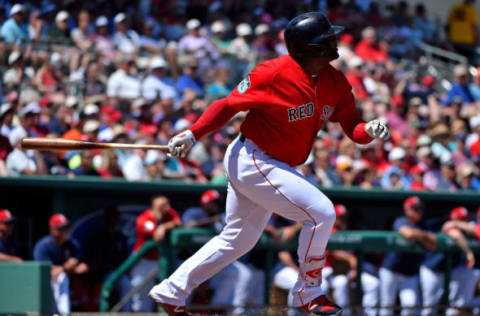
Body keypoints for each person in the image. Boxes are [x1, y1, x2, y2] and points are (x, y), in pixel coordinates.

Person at [149, 12, 390, 316]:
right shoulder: (272, 73)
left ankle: (171, 291)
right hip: (253, 157)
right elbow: (227, 105)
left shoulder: (335, 81)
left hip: (276, 163)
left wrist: (368, 130)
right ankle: (308, 292)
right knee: (321, 214)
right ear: (312, 48)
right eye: (328, 38)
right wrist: (193, 133)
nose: (335, 41)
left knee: (239, 239)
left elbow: (353, 128)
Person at [182, 190, 253, 314]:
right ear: (206, 203)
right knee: (185, 280)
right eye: (214, 202)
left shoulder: (221, 216)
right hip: (188, 258)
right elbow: (188, 225)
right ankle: (179, 309)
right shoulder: (194, 212)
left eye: (218, 202)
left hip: (212, 260)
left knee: (241, 273)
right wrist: (212, 220)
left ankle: (217, 309)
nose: (217, 205)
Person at [380, 196, 437, 316]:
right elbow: (408, 233)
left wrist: (421, 235)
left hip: (409, 273)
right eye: (415, 209)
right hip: (391, 270)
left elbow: (433, 246)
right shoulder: (401, 221)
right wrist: (424, 236)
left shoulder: (424, 225)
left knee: (410, 305)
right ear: (407, 209)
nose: (419, 212)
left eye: (420, 209)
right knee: (387, 307)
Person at [421, 206, 475, 316]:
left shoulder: (466, 229)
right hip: (432, 270)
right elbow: (456, 234)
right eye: (463, 219)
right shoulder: (448, 226)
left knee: (448, 305)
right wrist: (468, 253)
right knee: (429, 306)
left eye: (466, 219)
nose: (466, 221)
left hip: (447, 271)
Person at [131, 195, 181, 312]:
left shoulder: (169, 213)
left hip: (163, 260)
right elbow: (156, 236)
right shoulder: (143, 219)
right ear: (155, 206)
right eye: (163, 205)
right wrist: (160, 219)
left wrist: (164, 226)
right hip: (144, 261)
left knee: (175, 289)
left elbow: (178, 222)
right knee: (141, 297)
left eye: (168, 204)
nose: (168, 208)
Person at [33, 213, 89, 315]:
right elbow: (48, 272)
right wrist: (66, 267)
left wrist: (66, 269)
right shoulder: (43, 246)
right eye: (62, 228)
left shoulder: (72, 244)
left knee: (63, 278)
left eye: (66, 227)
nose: (65, 231)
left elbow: (80, 266)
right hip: (43, 283)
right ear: (53, 230)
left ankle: (64, 313)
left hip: (66, 280)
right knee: (60, 278)